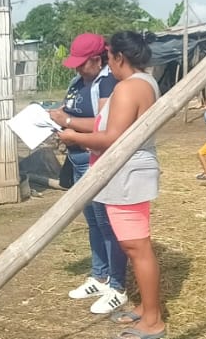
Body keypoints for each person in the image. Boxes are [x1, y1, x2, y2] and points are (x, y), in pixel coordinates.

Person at [60, 31, 166, 339]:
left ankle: (153, 321)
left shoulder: (127, 88)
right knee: (135, 245)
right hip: (132, 172)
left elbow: (111, 138)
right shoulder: (146, 82)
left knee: (137, 247)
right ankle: (147, 309)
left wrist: (73, 137)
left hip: (127, 174)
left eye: (109, 59)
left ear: (120, 57)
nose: (109, 65)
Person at [49, 33, 129, 314]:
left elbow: (103, 125)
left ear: (98, 59)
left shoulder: (107, 83)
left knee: (107, 223)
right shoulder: (78, 82)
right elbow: (69, 112)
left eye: (83, 64)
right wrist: (57, 119)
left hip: (96, 159)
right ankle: (99, 276)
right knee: (93, 222)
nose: (79, 69)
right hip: (77, 159)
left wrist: (68, 121)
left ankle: (117, 285)